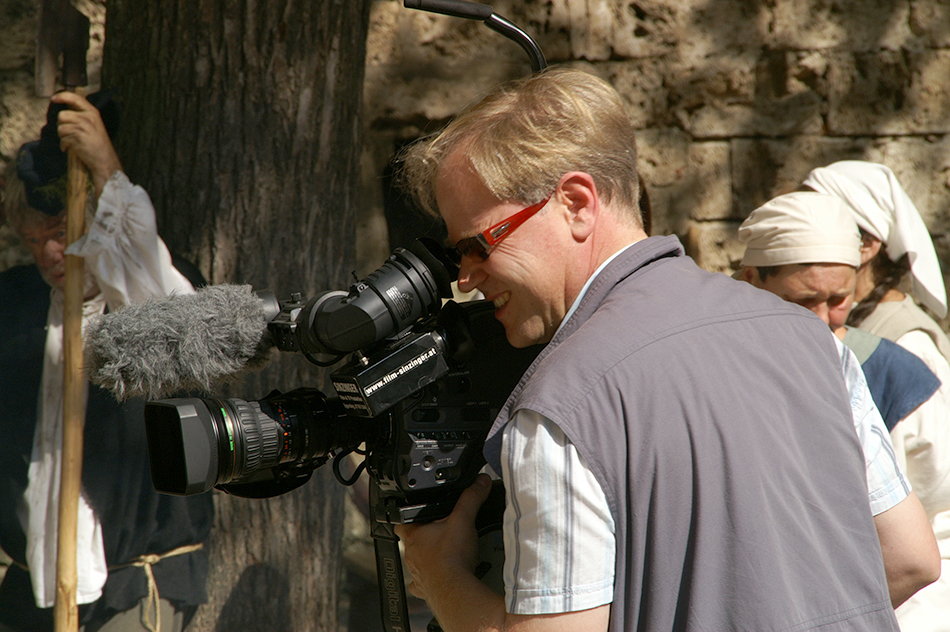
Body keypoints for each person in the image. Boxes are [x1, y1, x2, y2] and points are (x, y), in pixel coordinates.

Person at [393, 67, 900, 632]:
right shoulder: (812, 341)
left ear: (577, 204)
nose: (465, 277)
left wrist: (439, 572)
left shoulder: (560, 407)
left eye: (478, 245)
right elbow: (907, 558)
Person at [0, 91, 212, 631]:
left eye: (59, 233)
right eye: (33, 241)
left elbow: (167, 317)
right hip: (33, 585)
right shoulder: (15, 305)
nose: (49, 255)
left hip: (132, 589)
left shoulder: (148, 292)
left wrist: (105, 169)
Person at [736, 191, 946, 610]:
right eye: (801, 301)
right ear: (752, 279)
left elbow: (936, 519)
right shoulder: (722, 370)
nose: (820, 320)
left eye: (838, 301)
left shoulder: (897, 376)